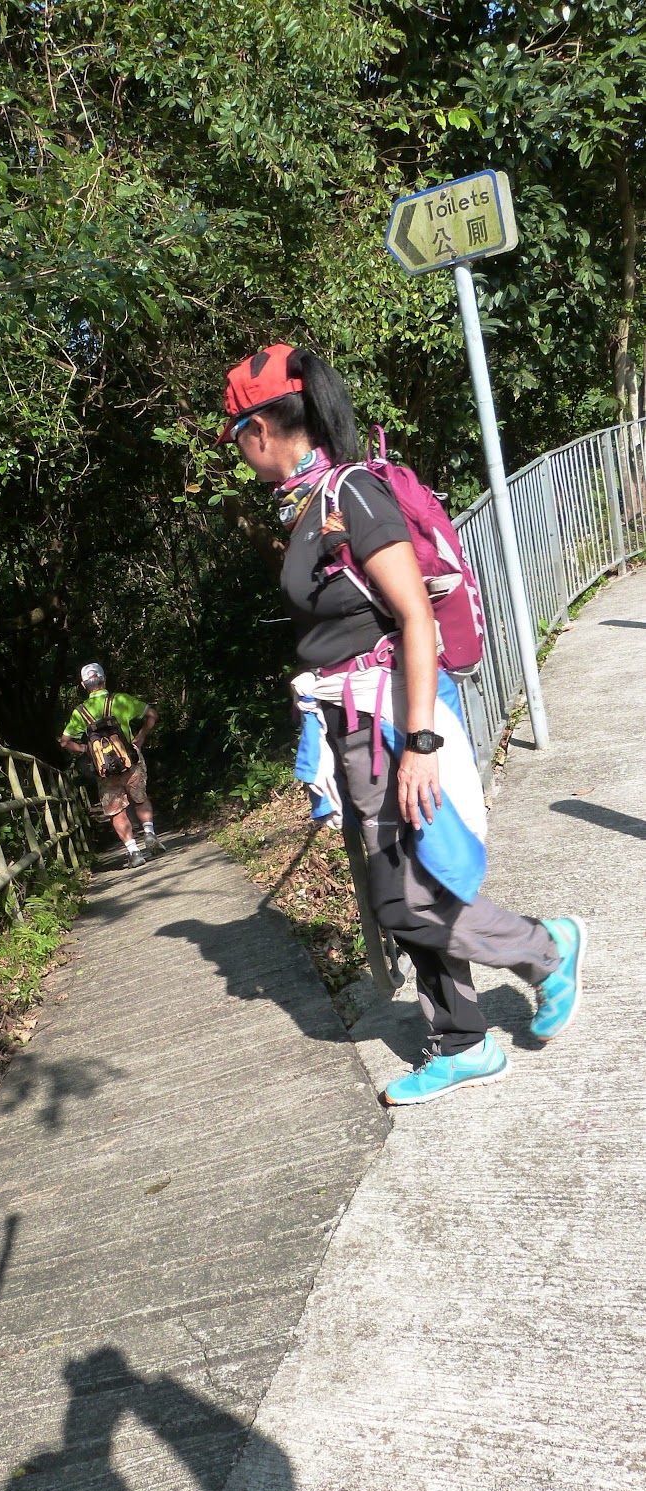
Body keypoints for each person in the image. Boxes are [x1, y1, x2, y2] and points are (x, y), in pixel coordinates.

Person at [217, 342, 587, 1106]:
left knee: (402, 900)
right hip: (357, 727)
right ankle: (460, 1041)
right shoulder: (307, 505)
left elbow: (414, 617)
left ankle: (545, 949)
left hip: (391, 724)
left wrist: (420, 744)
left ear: (259, 429)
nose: (237, 454)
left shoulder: (349, 494)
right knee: (407, 886)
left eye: (235, 438)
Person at [60, 663, 165, 868]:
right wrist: (140, 737)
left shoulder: (80, 712)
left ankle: (134, 852)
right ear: (104, 679)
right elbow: (152, 714)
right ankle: (149, 832)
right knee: (140, 797)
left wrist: (86, 750)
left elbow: (64, 742)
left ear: (83, 685)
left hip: (104, 770)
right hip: (130, 761)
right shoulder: (120, 700)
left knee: (117, 810)